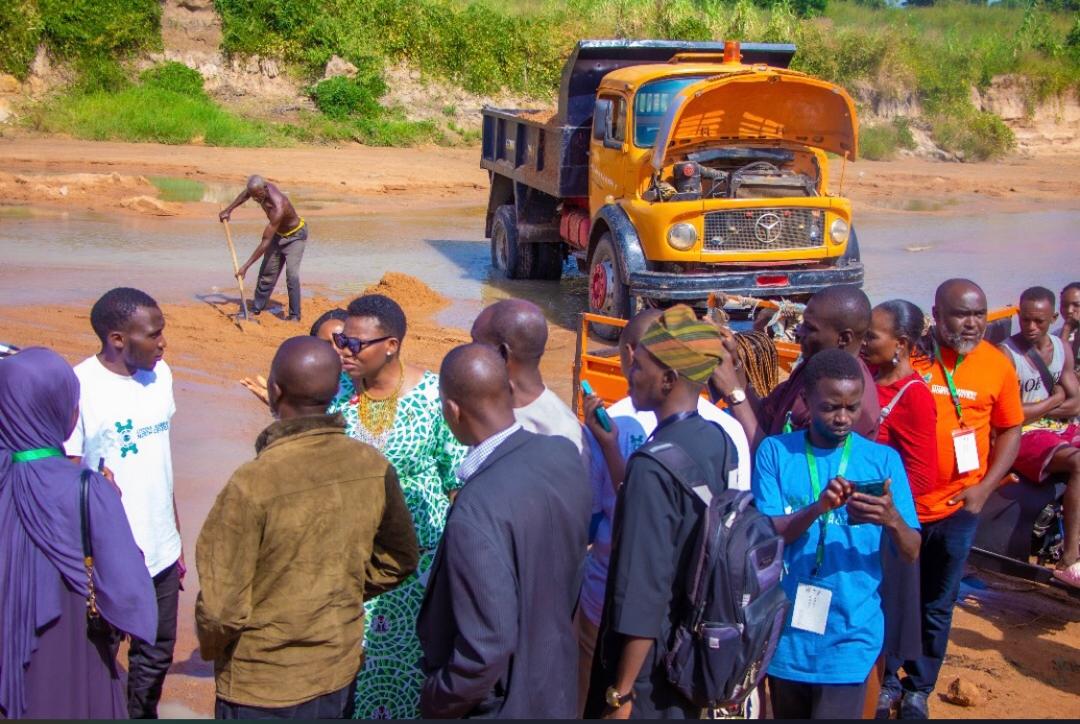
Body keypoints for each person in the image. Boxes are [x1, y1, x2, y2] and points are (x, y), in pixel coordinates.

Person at [195, 337, 418, 719]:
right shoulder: (371, 464)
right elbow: (400, 558)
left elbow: (220, 611)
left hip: (262, 685)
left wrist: (216, 648)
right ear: (334, 391)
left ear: (274, 389)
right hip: (338, 670)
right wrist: (341, 590)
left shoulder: (252, 483)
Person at [576, 308, 751, 714]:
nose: (630, 374)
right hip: (691, 639)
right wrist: (610, 445)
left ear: (669, 379)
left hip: (647, 660)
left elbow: (643, 589)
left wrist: (621, 692)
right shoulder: (717, 437)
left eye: (638, 366)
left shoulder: (650, 465)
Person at [417, 343, 591, 718]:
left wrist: (436, 698)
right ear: (510, 392)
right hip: (556, 684)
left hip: (503, 705)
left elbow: (486, 647)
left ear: (452, 410)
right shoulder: (562, 453)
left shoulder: (475, 509)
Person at [881, 278, 1023, 719]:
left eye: (979, 314)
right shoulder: (912, 357)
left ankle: (919, 688)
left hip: (959, 507)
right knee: (892, 593)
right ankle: (886, 680)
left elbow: (1011, 430)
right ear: (936, 315)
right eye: (962, 314)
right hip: (902, 509)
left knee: (939, 601)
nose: (973, 323)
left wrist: (985, 487)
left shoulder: (997, 365)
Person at [752, 349, 921, 720]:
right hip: (786, 638)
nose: (843, 418)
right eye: (831, 407)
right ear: (806, 400)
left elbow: (910, 551)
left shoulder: (883, 460)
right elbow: (767, 537)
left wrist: (892, 518)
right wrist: (817, 508)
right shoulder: (775, 453)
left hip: (850, 634)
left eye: (853, 406)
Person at [326, 293, 467, 719]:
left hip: (418, 569)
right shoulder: (333, 398)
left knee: (413, 668)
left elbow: (455, 480)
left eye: (355, 344)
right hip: (353, 566)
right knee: (353, 668)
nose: (344, 352)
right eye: (340, 341)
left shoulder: (431, 396)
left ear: (391, 345)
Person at [0, 348, 157, 720]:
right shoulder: (88, 490)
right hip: (71, 655)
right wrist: (111, 503)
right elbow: (130, 596)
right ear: (64, 412)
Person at [63, 287, 183, 719]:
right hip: (109, 556)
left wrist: (176, 538)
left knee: (156, 654)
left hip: (163, 551)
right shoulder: (78, 387)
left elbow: (160, 463)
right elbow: (69, 471)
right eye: (153, 335)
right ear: (117, 339)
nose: (162, 343)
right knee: (101, 656)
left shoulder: (161, 374)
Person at [860, 299, 938, 718]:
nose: (864, 341)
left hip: (889, 523)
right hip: (863, 518)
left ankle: (893, 686)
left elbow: (923, 478)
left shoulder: (915, 396)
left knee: (888, 613)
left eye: (872, 335)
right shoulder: (868, 379)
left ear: (901, 344)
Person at [710, 285, 880, 452]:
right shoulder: (811, 369)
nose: (799, 331)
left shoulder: (849, 401)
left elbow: (777, 465)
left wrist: (733, 393)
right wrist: (736, 365)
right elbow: (764, 417)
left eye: (810, 328)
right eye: (803, 323)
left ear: (844, 338)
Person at [999, 286, 1080, 585]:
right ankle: (1069, 558)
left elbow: (1077, 401)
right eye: (1026, 320)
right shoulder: (1007, 354)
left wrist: (1040, 408)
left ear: (1054, 317)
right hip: (1021, 436)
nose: (1031, 328)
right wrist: (1052, 401)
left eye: (1040, 322)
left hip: (1056, 429)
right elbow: (1011, 414)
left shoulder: (1062, 348)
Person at [470, 298, 586, 453]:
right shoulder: (482, 408)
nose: (468, 353)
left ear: (503, 354)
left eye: (476, 343)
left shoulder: (561, 434)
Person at [219, 175, 308, 321]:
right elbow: (245, 194)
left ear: (265, 189)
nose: (255, 199)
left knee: (292, 275)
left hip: (295, 237)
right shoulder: (256, 191)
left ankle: (294, 315)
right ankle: (256, 308)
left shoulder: (279, 206)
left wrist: (245, 267)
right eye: (253, 196)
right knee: (267, 273)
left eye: (258, 195)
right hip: (278, 234)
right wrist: (229, 210)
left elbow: (265, 241)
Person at [240, 308, 348, 404]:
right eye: (325, 345)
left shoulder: (363, 389)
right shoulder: (312, 391)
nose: (335, 350)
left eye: (342, 342)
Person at [1059, 282, 1080, 376]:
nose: (1069, 310)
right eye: (1064, 305)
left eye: (1076, 305)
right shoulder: (1056, 336)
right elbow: (1058, 365)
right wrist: (1066, 330)